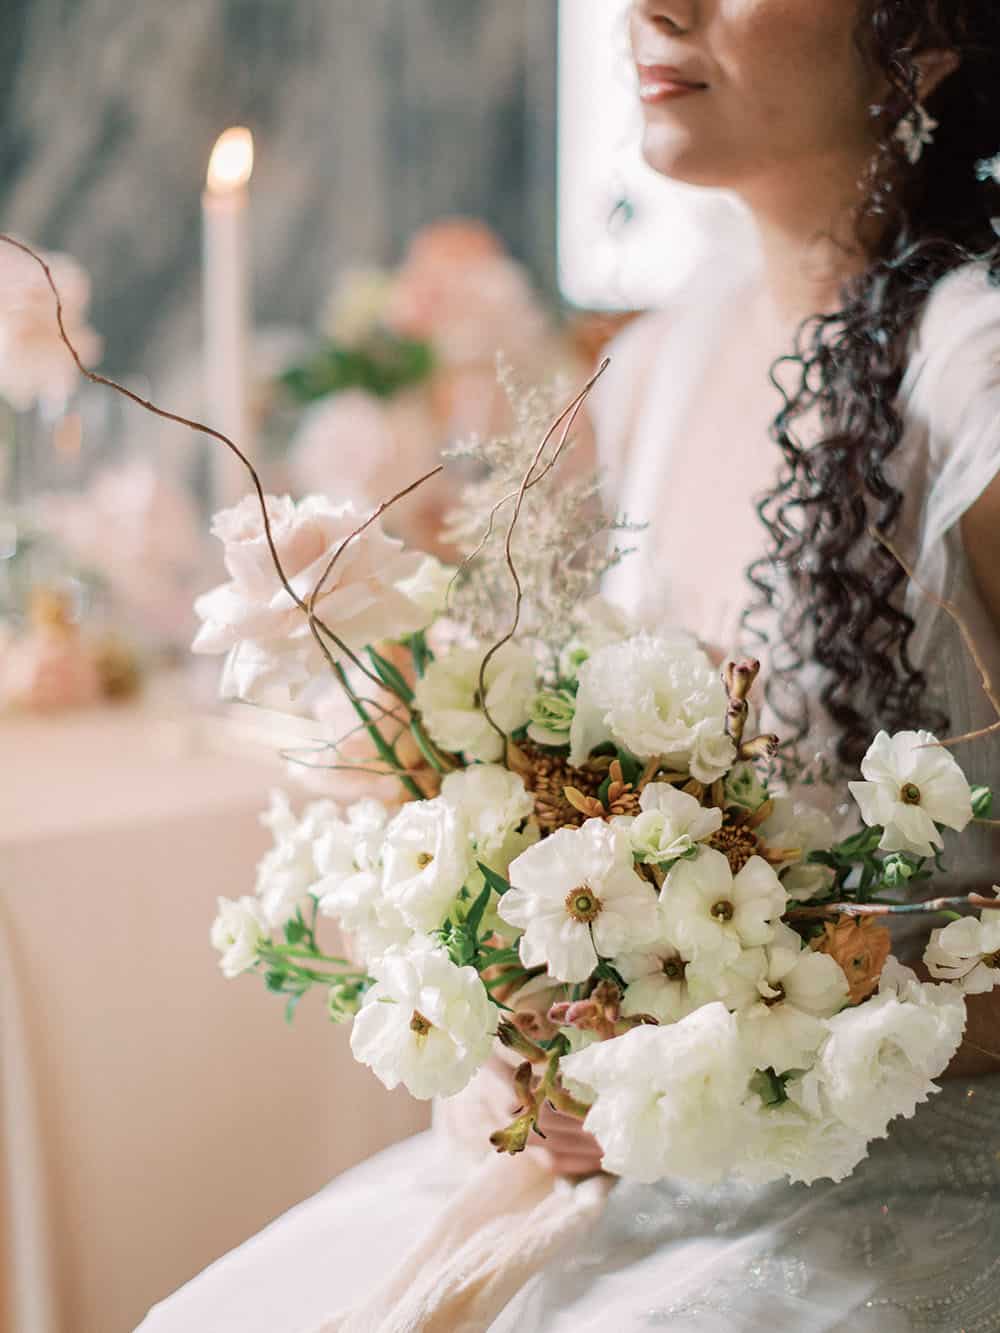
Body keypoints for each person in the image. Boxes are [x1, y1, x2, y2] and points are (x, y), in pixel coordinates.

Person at [139, 2, 1000, 1328]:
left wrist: (789, 1028)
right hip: (643, 1165)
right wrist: (513, 1037)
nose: (655, 6)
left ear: (932, 34)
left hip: (903, 1171)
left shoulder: (974, 374)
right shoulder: (661, 361)